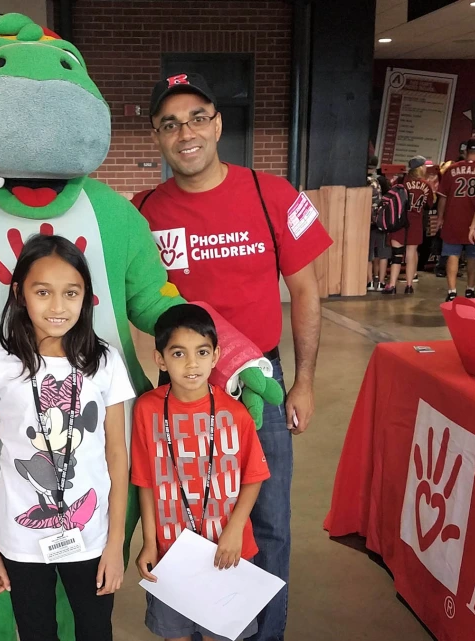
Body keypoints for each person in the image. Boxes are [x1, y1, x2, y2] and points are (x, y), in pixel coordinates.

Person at [134, 72, 331, 641]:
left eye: (197, 117)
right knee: (187, 519)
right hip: (181, 389)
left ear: (218, 123)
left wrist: (305, 382)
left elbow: (307, 292)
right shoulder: (143, 211)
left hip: (258, 385)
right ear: (157, 137)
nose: (185, 133)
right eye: (169, 124)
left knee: (265, 523)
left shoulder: (273, 195)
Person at [0, 235, 134, 641]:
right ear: (19, 294)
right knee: (36, 631)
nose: (58, 307)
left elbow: (117, 456)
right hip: (20, 539)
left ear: (86, 298)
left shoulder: (104, 362)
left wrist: (115, 545)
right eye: (43, 292)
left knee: (96, 630)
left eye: (71, 293)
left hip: (91, 536)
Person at [133, 304, 270, 641]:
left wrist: (235, 530)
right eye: (178, 353)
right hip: (171, 553)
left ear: (216, 356)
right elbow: (146, 483)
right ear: (160, 359)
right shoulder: (147, 410)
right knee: (174, 634)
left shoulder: (235, 414)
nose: (192, 364)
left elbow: (253, 477)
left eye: (202, 352)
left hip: (227, 551)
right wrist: (150, 543)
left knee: (220, 633)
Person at [437, 137, 475, 302]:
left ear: (465, 151)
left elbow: (442, 197)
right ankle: (470, 289)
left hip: (452, 218)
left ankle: (451, 291)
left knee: (452, 254)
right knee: (474, 256)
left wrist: (440, 218)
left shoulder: (451, 169)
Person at [387, 157, 434, 295]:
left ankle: (392, 285)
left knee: (396, 255)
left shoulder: (401, 181)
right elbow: (429, 203)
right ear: (420, 168)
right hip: (416, 223)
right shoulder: (426, 185)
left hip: (399, 222)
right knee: (411, 255)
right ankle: (409, 286)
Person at [366, 170, 391, 291]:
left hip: (368, 223)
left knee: (368, 254)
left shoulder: (366, 182)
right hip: (382, 222)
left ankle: (370, 282)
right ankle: (381, 282)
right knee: (383, 254)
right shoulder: (380, 182)